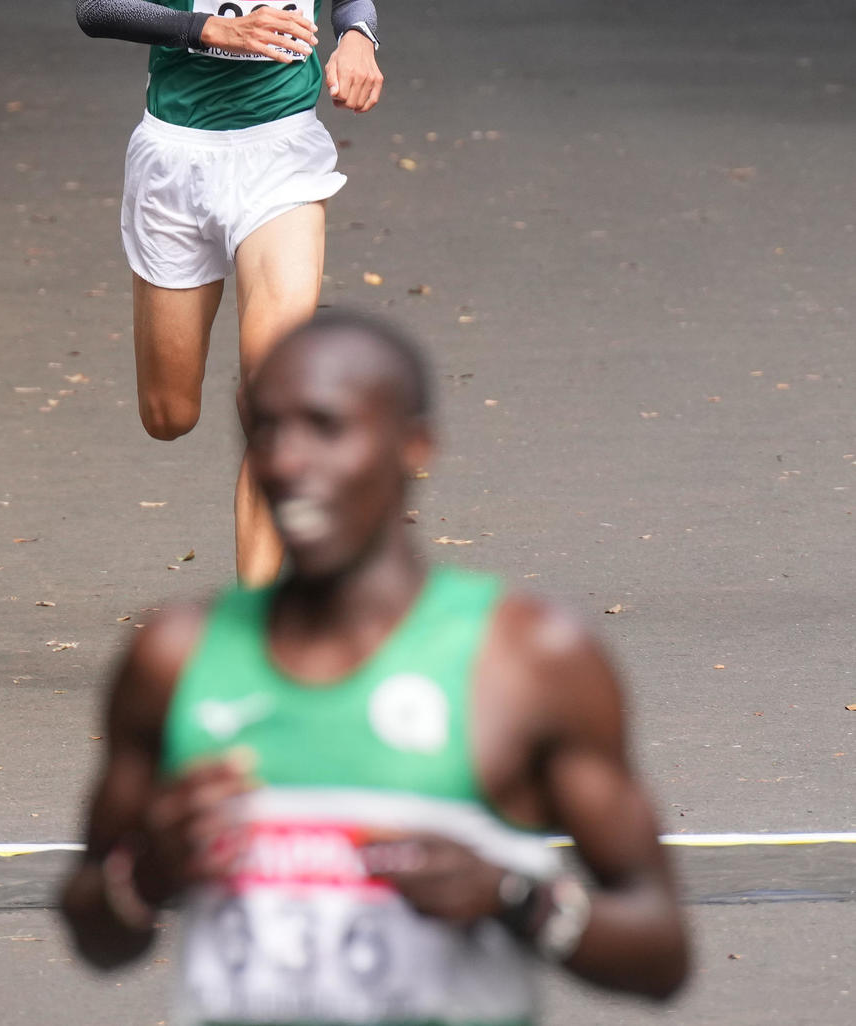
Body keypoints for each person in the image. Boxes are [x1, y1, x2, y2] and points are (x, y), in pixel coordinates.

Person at [61, 311, 690, 1024]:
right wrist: (148, 876)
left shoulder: (528, 661)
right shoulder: (174, 657)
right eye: (265, 430)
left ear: (413, 444)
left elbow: (662, 953)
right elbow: (92, 931)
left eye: (326, 427)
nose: (287, 461)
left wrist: (518, 898)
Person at [77, 0, 384, 586]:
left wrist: (359, 39)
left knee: (277, 399)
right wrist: (212, 26)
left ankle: (257, 632)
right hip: (179, 153)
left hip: (284, 153)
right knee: (170, 413)